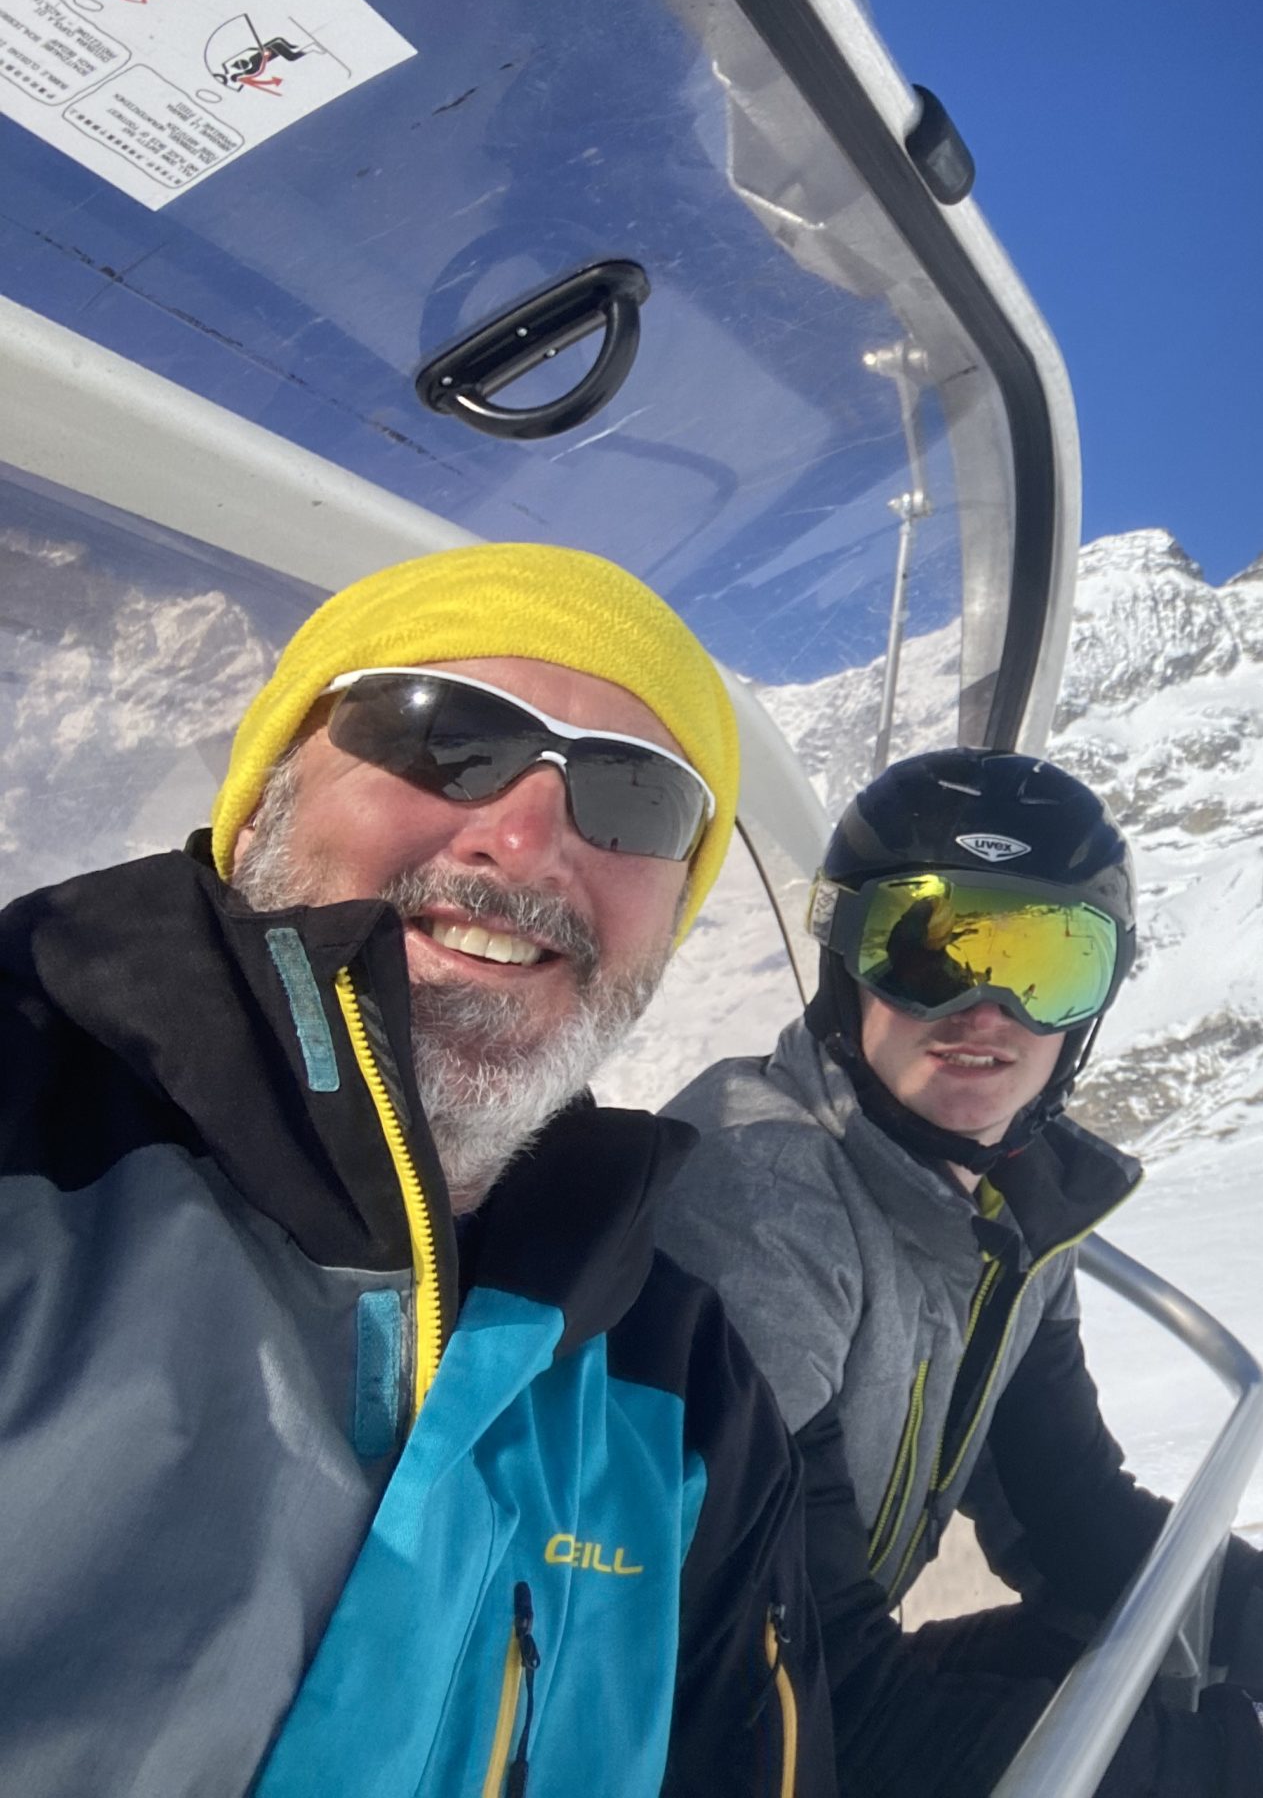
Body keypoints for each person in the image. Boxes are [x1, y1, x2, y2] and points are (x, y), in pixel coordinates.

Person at [0, 544, 826, 1796]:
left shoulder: (683, 1383)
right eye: (445, 738)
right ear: (267, 789)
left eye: (636, 798)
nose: (527, 837)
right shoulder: (27, 1136)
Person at [656, 747, 1263, 1796]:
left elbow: (1070, 1514)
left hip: (800, 1696)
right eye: (928, 951)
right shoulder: (757, 1202)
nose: (987, 1010)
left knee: (1105, 1671)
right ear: (845, 962)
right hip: (656, 1741)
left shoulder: (996, 1209)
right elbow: (788, 1694)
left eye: (1049, 963)